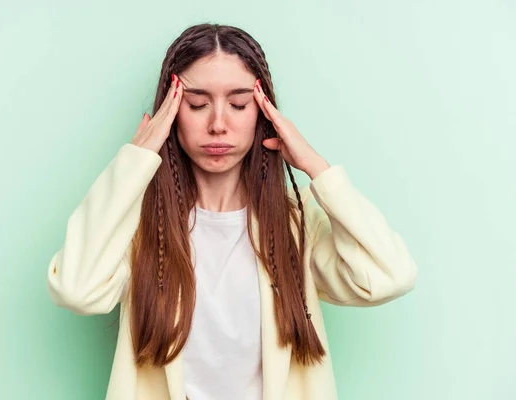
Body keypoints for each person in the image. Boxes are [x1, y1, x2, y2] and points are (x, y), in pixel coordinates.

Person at [46, 23, 417, 400]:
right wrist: (132, 166)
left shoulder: (298, 221)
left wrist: (316, 168)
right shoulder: (139, 224)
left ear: (263, 112)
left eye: (239, 104)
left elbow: (389, 275)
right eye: (196, 104)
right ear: (170, 112)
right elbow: (77, 290)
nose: (218, 124)